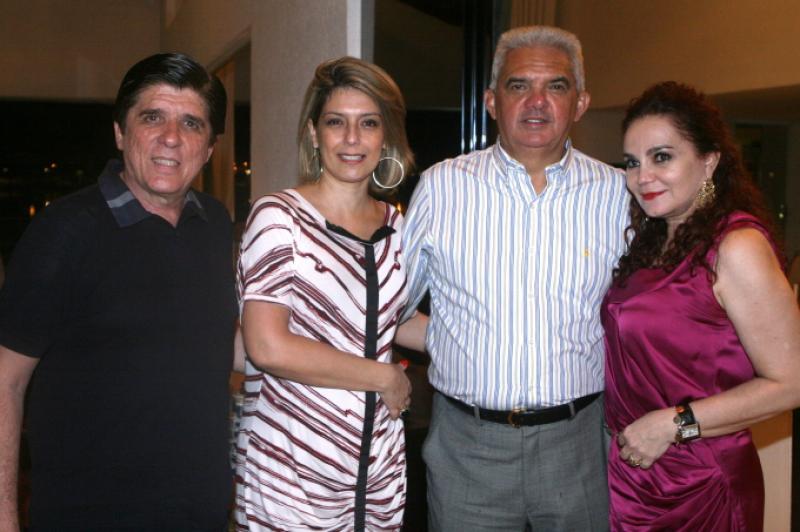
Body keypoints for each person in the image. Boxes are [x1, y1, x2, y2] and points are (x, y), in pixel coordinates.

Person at [402, 25, 629, 530]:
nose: (536, 101)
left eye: (556, 86)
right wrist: (454, 338)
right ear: (491, 100)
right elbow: (391, 307)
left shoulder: (618, 195)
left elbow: (642, 317)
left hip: (579, 445)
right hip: (468, 448)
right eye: (519, 85)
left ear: (581, 103)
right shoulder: (442, 187)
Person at [0, 53, 237, 530]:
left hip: (201, 516)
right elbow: (6, 381)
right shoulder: (65, 232)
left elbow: (219, 342)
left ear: (210, 148)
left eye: (191, 123)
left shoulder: (215, 224)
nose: (171, 137)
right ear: (120, 133)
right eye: (152, 117)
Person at [234, 56, 427, 531]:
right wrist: (382, 376)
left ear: (386, 137)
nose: (352, 138)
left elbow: (388, 318)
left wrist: (485, 340)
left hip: (377, 473)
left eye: (369, 123)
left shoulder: (396, 225)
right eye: (336, 122)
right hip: (291, 473)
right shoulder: (279, 218)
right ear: (314, 134)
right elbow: (267, 346)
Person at [604, 81, 800, 530]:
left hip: (702, 482)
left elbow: (791, 382)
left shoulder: (736, 245)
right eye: (632, 162)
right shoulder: (654, 241)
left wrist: (673, 425)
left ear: (709, 161)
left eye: (662, 157)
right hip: (636, 479)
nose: (642, 176)